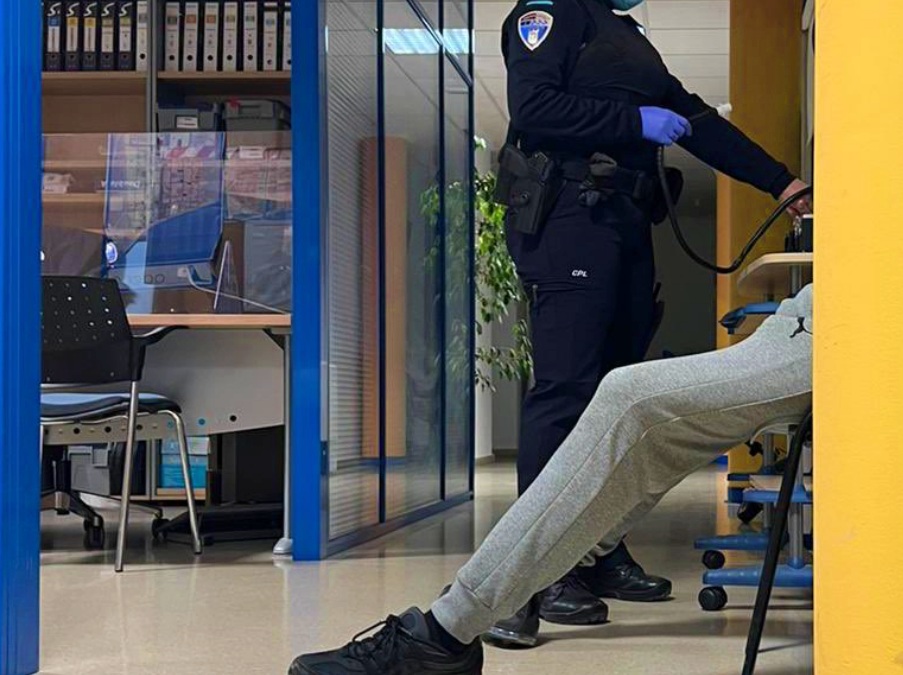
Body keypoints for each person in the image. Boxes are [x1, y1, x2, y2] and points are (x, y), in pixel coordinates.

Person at [487, 0, 812, 645]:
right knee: (567, 392)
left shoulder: (625, 36)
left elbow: (696, 124)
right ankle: (535, 577)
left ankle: (597, 553)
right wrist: (632, 119)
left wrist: (783, 185)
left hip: (623, 225)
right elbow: (535, 110)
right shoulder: (548, 14)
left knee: (617, 397)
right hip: (568, 221)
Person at [289, 285, 814, 675]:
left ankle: (447, 630)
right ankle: (531, 578)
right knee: (638, 431)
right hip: (806, 315)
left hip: (836, 322)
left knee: (630, 398)